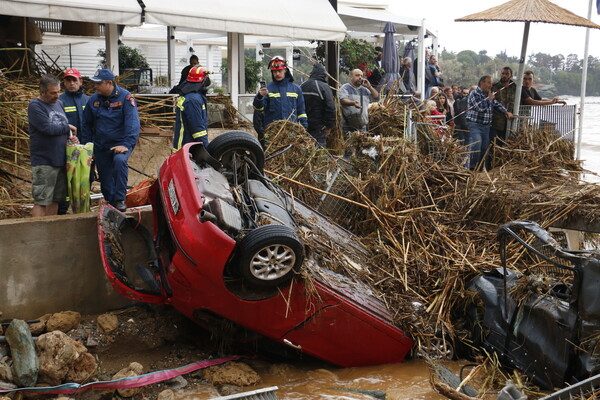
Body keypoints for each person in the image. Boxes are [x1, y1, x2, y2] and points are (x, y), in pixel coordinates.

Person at [81, 69, 140, 212]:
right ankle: (111, 203)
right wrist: (89, 147)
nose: (96, 86)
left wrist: (126, 144)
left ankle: (120, 200)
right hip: (101, 146)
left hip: (121, 144)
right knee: (106, 182)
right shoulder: (93, 100)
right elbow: (86, 124)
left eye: (99, 83)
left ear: (109, 83)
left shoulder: (126, 98)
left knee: (119, 161)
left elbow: (132, 124)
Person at [28, 74, 78, 217]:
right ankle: (38, 235)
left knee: (55, 200)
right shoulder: (35, 106)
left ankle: (50, 234)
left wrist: (71, 138)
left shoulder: (59, 103)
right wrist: (67, 127)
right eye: (53, 93)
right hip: (45, 161)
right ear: (42, 92)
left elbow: (62, 130)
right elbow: (48, 128)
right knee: (42, 200)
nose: (57, 95)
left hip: (61, 160)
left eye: (58, 91)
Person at [57, 68, 90, 215]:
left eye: (74, 80)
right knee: (66, 181)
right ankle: (63, 210)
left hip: (86, 150)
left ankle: (84, 210)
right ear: (64, 82)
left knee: (86, 179)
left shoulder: (89, 100)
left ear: (80, 81)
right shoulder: (59, 101)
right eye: (68, 80)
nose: (71, 83)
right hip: (67, 150)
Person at [465, 76, 513, 170]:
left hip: (486, 126)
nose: (490, 85)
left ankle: (480, 169)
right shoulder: (474, 93)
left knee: (484, 148)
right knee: (476, 145)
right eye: (488, 83)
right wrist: (489, 100)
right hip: (475, 124)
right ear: (482, 83)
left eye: (491, 83)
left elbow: (496, 104)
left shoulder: (488, 95)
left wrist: (505, 111)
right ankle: (471, 168)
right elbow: (479, 108)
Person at [253, 56, 308, 132]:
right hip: (272, 132)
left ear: (285, 70)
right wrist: (259, 96)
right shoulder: (267, 89)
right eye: (274, 72)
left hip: (291, 132)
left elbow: (301, 111)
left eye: (280, 71)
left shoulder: (296, 89)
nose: (277, 74)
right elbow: (259, 109)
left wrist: (304, 127)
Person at [173, 66, 210, 151]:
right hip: (186, 149)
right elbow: (198, 130)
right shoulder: (193, 100)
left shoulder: (193, 96)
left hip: (188, 146)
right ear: (202, 80)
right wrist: (207, 150)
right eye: (206, 78)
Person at [300, 63, 336, 146]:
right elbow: (330, 107)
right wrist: (329, 126)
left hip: (303, 126)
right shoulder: (324, 87)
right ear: (323, 75)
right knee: (319, 154)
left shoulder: (302, 85)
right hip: (319, 128)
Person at [339, 69, 379, 136]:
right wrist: (352, 103)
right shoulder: (345, 88)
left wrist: (370, 87)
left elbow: (376, 98)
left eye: (361, 76)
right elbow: (343, 100)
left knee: (362, 145)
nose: (360, 77)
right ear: (351, 77)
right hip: (348, 126)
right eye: (357, 75)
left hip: (362, 126)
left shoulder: (365, 90)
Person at [491, 67, 516, 158]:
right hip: (497, 121)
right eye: (503, 73)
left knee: (507, 144)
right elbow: (492, 102)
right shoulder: (495, 87)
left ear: (511, 75)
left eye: (507, 74)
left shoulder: (515, 87)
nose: (504, 75)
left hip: (510, 121)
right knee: (494, 144)